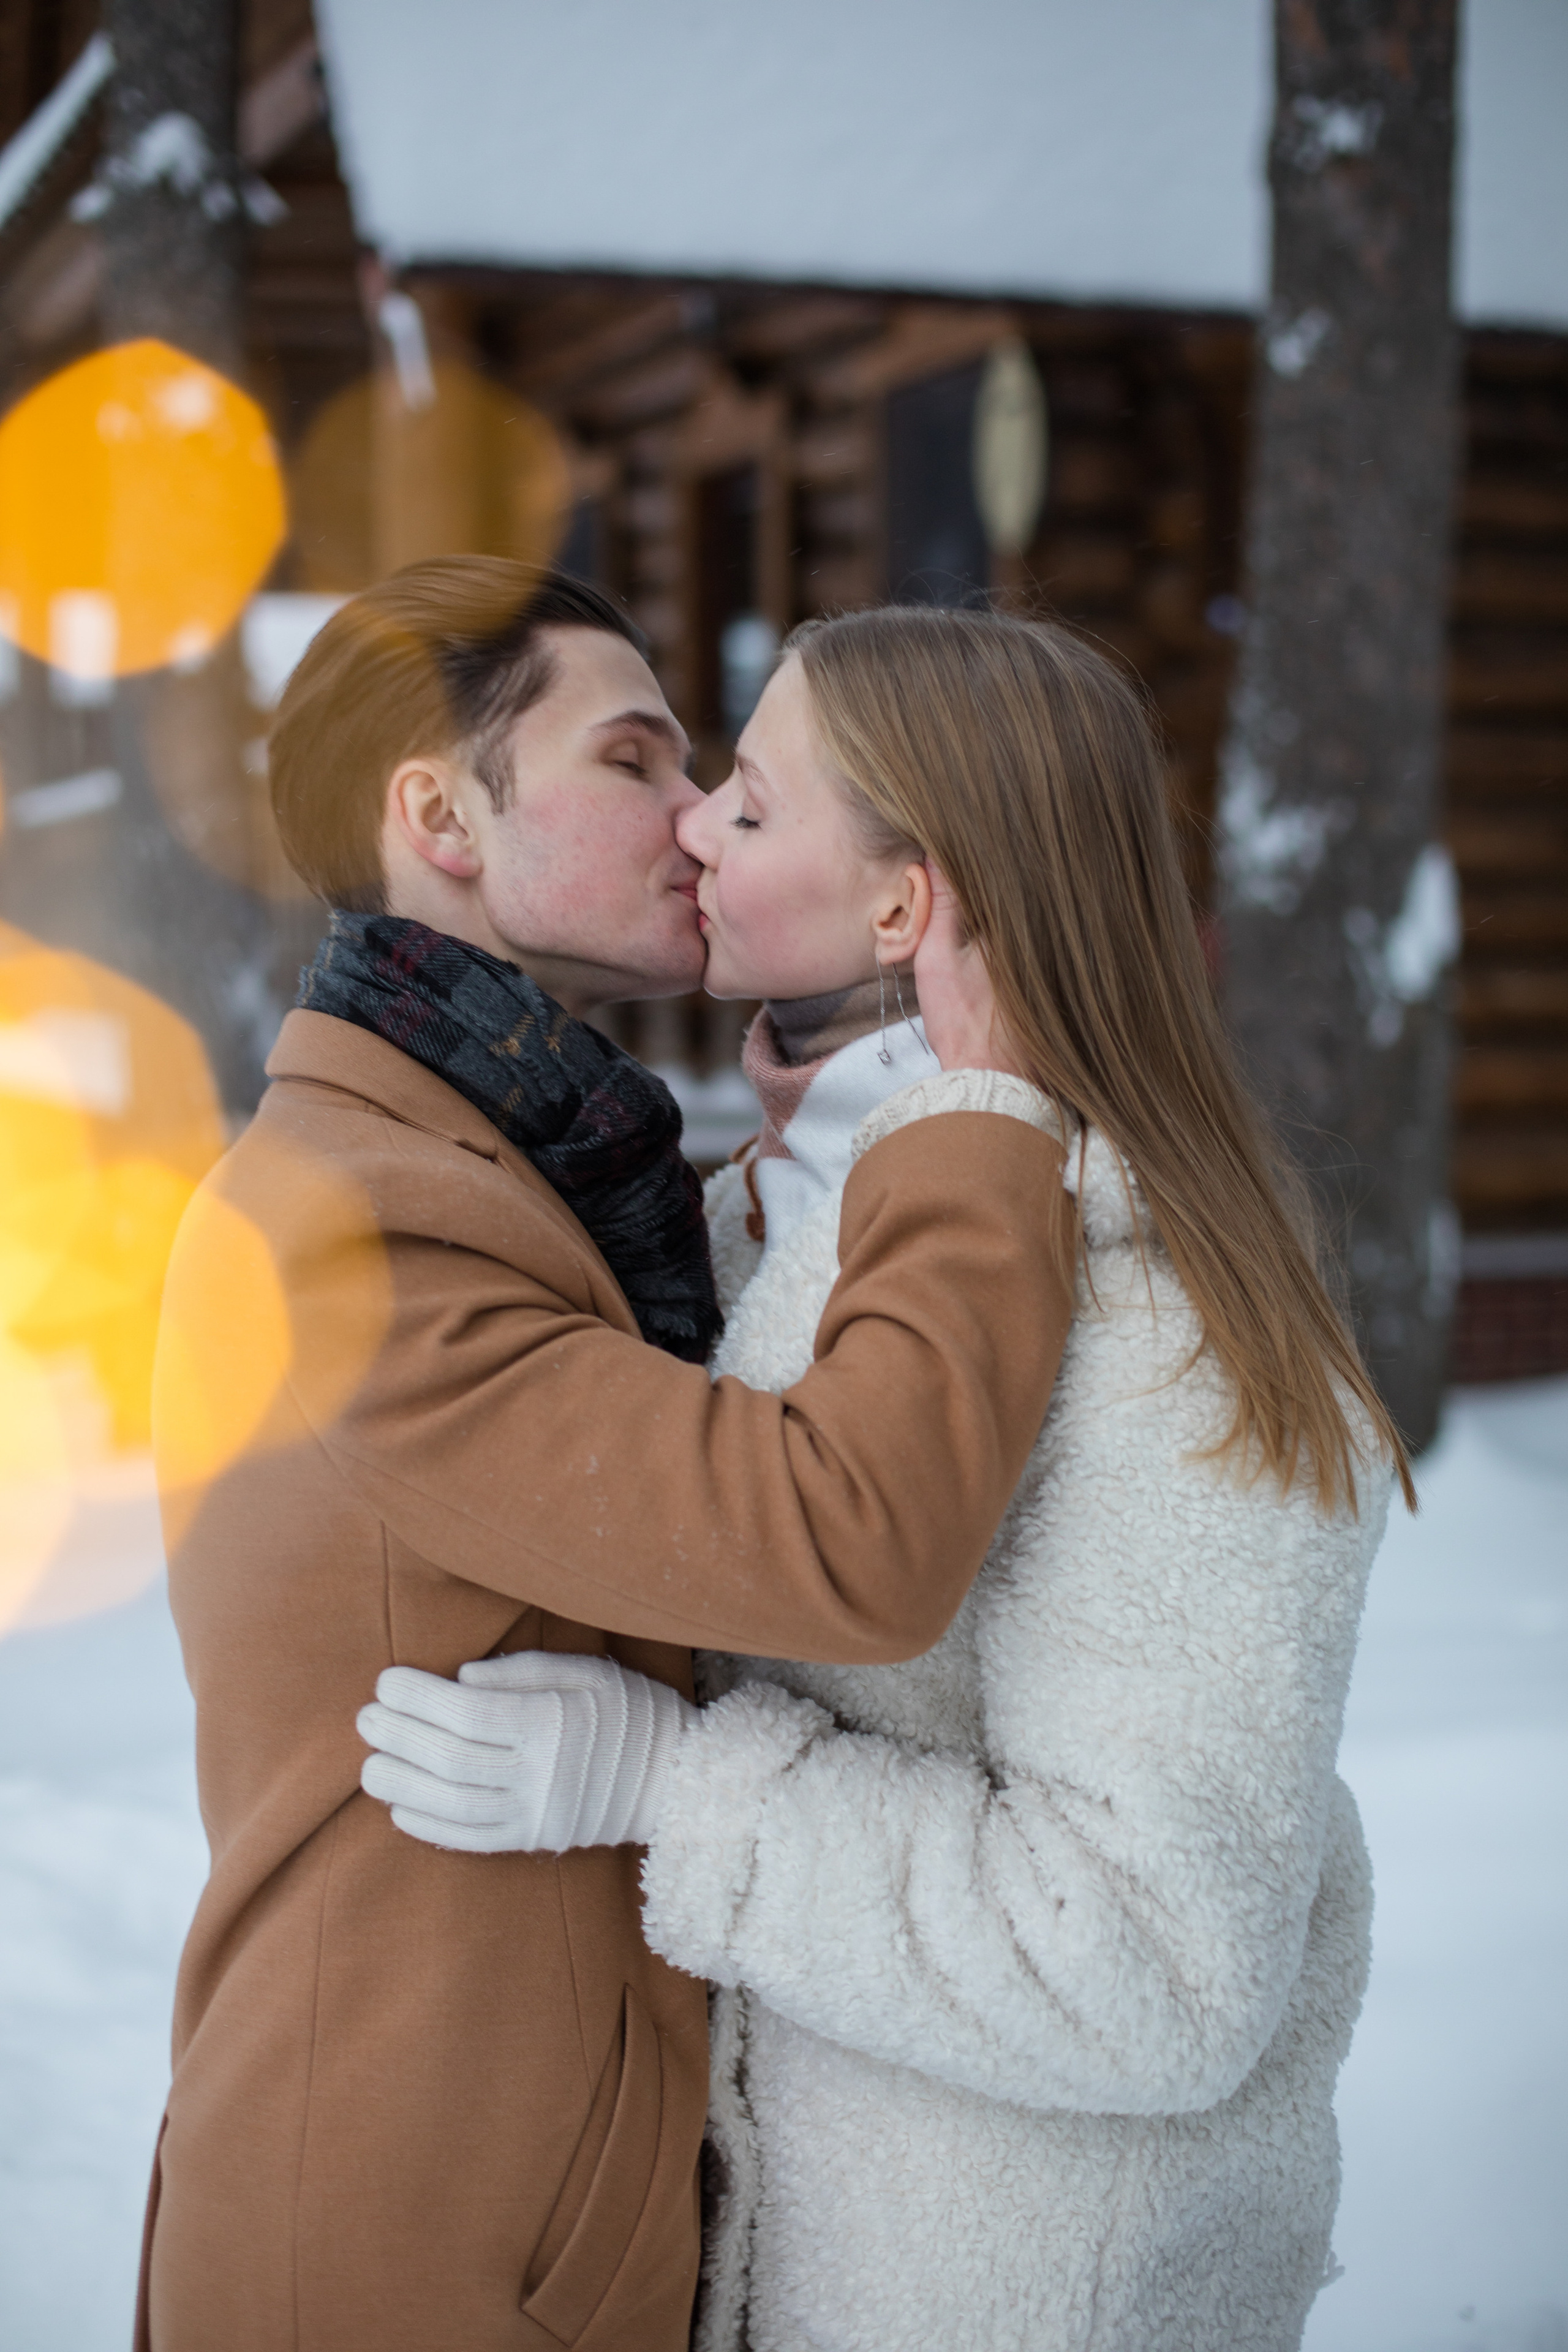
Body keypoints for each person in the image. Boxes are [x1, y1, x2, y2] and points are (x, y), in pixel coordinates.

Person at [361, 605, 1414, 2352]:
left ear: (901, 910)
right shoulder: (779, 1226)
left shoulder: (1165, 1319)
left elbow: (1155, 1963)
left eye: (753, 808)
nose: (694, 822)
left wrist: (674, 1787)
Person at [137, 560, 1075, 2352]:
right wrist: (983, 1108)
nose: (699, 811)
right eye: (635, 757)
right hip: (398, 2240)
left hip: (542, 2213)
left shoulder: (525, 1167)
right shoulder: (353, 1228)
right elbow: (846, 1539)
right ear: (440, 816)